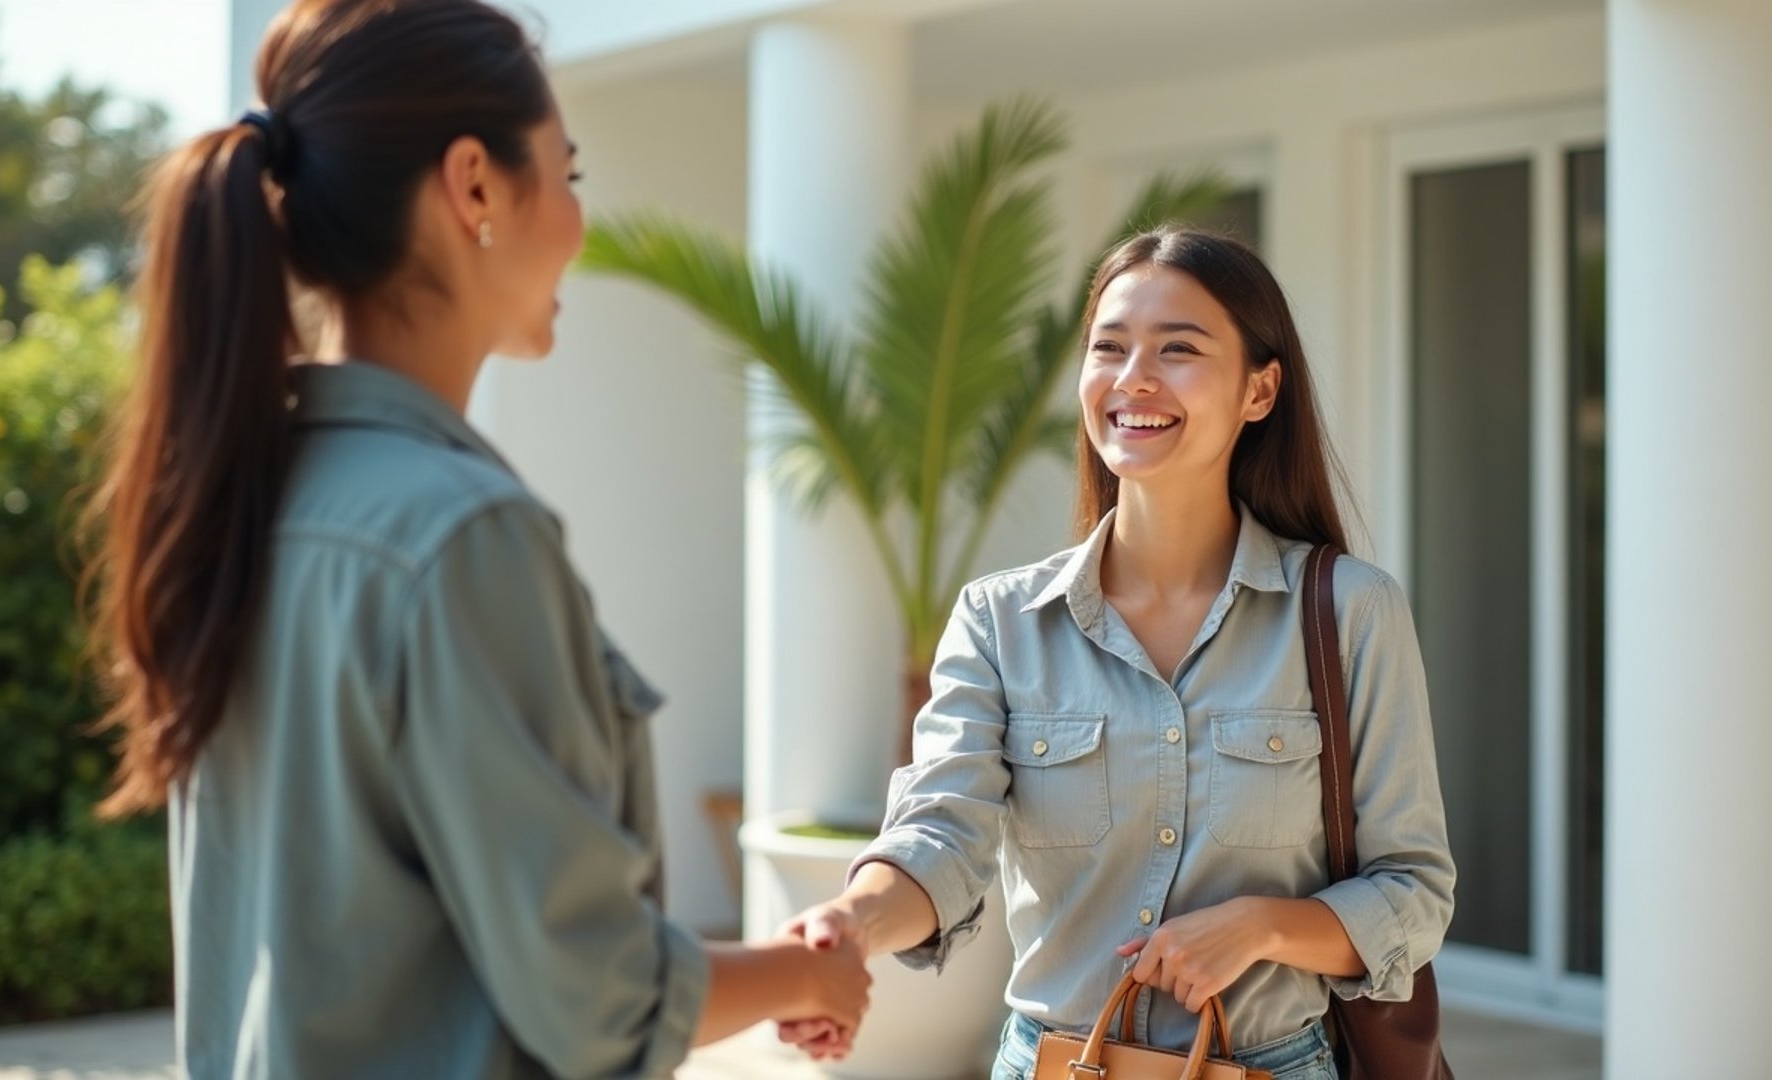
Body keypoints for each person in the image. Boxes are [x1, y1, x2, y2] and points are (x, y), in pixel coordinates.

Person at [83, 1, 867, 1075]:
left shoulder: (248, 496)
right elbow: (598, 1001)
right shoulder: (458, 536)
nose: (579, 220)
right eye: (569, 173)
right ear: (476, 186)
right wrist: (804, 975)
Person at [778, 227, 1455, 1080]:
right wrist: (849, 926)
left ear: (1260, 389)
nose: (1133, 378)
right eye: (1109, 348)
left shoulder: (1351, 612)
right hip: (1054, 1065)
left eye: (1178, 349)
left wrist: (1261, 926)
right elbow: (941, 837)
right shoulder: (1002, 621)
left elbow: (1413, 891)